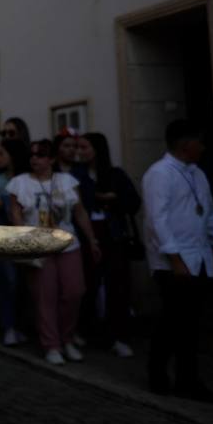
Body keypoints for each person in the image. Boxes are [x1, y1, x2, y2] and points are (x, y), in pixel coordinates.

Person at [142, 120, 213, 403]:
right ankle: (158, 374)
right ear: (185, 144)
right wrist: (175, 259)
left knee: (189, 324)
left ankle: (187, 380)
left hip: (199, 257)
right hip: (174, 263)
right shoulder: (160, 174)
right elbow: (157, 220)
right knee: (171, 322)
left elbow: (209, 211)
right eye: (199, 142)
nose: (203, 147)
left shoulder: (197, 174)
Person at [8, 140, 101, 365]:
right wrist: (25, 243)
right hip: (39, 246)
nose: (35, 159)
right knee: (45, 296)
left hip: (68, 244)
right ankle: (52, 344)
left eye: (41, 155)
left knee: (74, 292)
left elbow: (79, 212)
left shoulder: (68, 182)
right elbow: (15, 215)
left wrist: (92, 239)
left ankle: (67, 338)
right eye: (32, 155)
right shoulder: (19, 183)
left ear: (51, 159)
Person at [73, 133, 141, 357]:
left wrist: (114, 199)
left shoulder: (115, 174)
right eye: (78, 147)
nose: (80, 151)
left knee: (118, 285)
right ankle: (86, 328)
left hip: (113, 233)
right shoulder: (77, 175)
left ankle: (118, 336)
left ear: (97, 149)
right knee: (88, 285)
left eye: (84, 147)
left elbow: (134, 202)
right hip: (87, 234)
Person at [0, 139, 31, 345]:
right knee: (8, 281)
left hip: (24, 235)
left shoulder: (26, 178)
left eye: (2, 153)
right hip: (4, 235)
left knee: (23, 282)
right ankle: (8, 326)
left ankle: (21, 324)